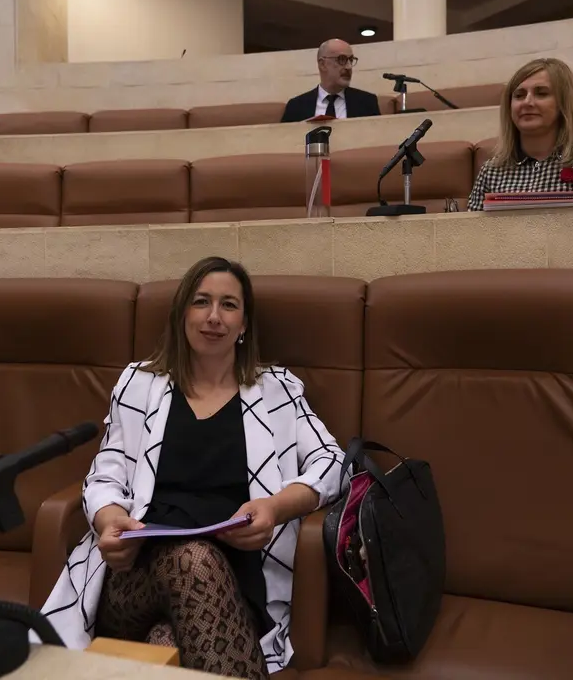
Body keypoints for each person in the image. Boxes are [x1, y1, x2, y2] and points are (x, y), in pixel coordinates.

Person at [40, 257, 348, 679]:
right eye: (201, 302)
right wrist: (110, 521)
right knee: (193, 561)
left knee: (166, 643)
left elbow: (333, 463)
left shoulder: (277, 389)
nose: (214, 316)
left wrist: (276, 508)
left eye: (229, 305)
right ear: (182, 313)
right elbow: (104, 476)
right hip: (136, 575)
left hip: (240, 577)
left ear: (244, 324)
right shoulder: (139, 384)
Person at [467, 57, 573, 211]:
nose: (527, 102)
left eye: (541, 93)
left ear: (563, 104)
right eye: (519, 95)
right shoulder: (491, 171)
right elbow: (471, 229)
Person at [281, 39, 382, 122]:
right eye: (341, 59)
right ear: (322, 64)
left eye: (351, 60)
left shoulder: (367, 102)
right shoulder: (296, 106)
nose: (348, 67)